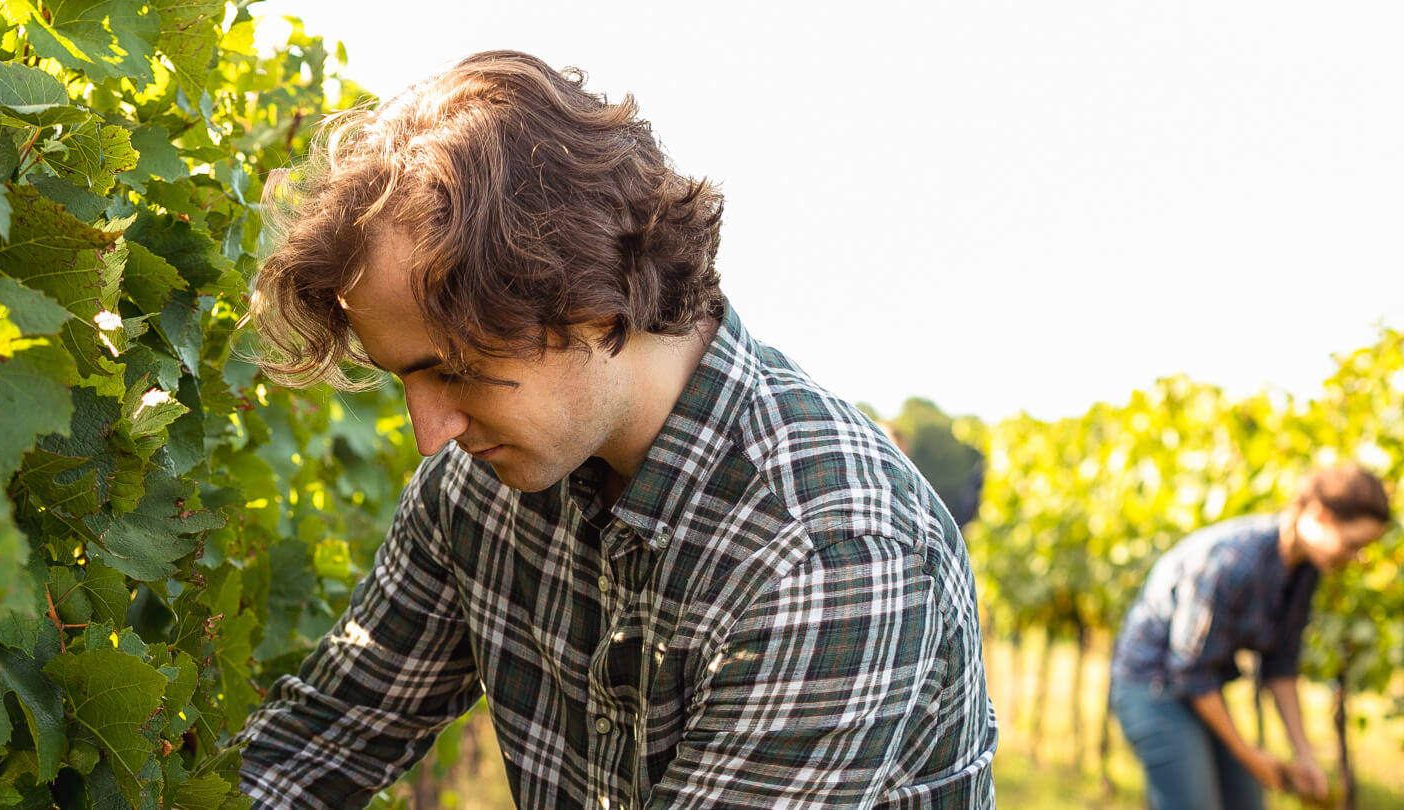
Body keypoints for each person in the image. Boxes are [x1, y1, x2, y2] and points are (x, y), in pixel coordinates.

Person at [234, 50, 997, 808]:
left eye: (456, 369)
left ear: (594, 300)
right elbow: (313, 749)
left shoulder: (827, 550)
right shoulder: (472, 495)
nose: (430, 433)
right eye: (405, 377)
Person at [1110, 464, 1392, 809]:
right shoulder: (1234, 561)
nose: (1356, 557)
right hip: (1151, 686)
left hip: (1201, 688)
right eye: (1353, 544)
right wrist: (1249, 755)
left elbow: (1280, 664)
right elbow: (1190, 669)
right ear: (1319, 515)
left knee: (1246, 802)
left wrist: (1304, 755)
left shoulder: (1305, 568)